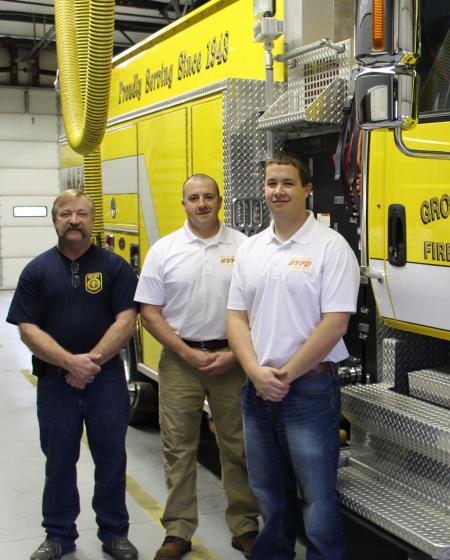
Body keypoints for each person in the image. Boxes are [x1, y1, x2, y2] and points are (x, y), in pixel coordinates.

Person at [227, 153, 360, 559]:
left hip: (308, 391)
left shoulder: (331, 247)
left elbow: (335, 324)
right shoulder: (251, 249)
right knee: (268, 491)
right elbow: (235, 318)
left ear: (307, 189)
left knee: (317, 498)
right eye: (271, 183)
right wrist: (255, 372)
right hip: (257, 390)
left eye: (287, 183)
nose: (278, 191)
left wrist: (283, 376)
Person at [6, 189, 139, 560]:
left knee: (111, 459)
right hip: (55, 384)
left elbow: (126, 320)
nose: (74, 220)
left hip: (106, 381)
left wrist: (89, 363)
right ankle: (58, 535)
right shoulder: (36, 271)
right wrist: (69, 362)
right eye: (66, 214)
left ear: (92, 220)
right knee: (59, 460)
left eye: (82, 213)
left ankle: (114, 533)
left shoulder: (115, 268)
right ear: (55, 220)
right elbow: (27, 328)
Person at [133, 174, 260, 559]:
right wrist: (187, 354)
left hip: (233, 360)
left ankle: (245, 527)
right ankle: (178, 532)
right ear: (183, 204)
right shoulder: (165, 250)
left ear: (220, 201)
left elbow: (260, 308)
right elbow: (149, 313)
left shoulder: (245, 247)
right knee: (178, 447)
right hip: (180, 361)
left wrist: (236, 355)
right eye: (193, 198)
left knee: (238, 447)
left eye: (208, 196)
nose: (201, 203)